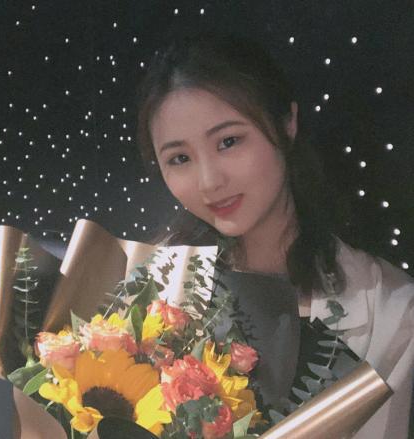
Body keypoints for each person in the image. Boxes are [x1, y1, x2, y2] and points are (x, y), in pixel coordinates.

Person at [135, 32, 414, 438]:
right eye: (180, 158)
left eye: (229, 141)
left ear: (288, 123)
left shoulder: (391, 312)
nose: (209, 182)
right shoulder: (155, 282)